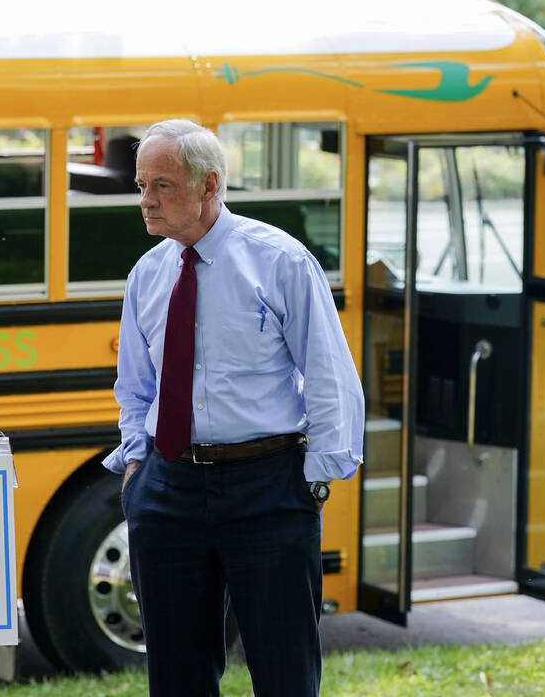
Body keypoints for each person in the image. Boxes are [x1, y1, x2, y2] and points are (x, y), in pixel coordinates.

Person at [103, 119, 365, 697]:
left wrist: (315, 482)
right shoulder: (148, 273)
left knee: (284, 670)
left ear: (210, 184)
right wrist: (137, 468)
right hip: (167, 490)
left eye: (162, 186)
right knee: (176, 674)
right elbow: (136, 386)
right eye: (141, 185)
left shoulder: (279, 261)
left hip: (267, 489)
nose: (145, 200)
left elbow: (329, 375)